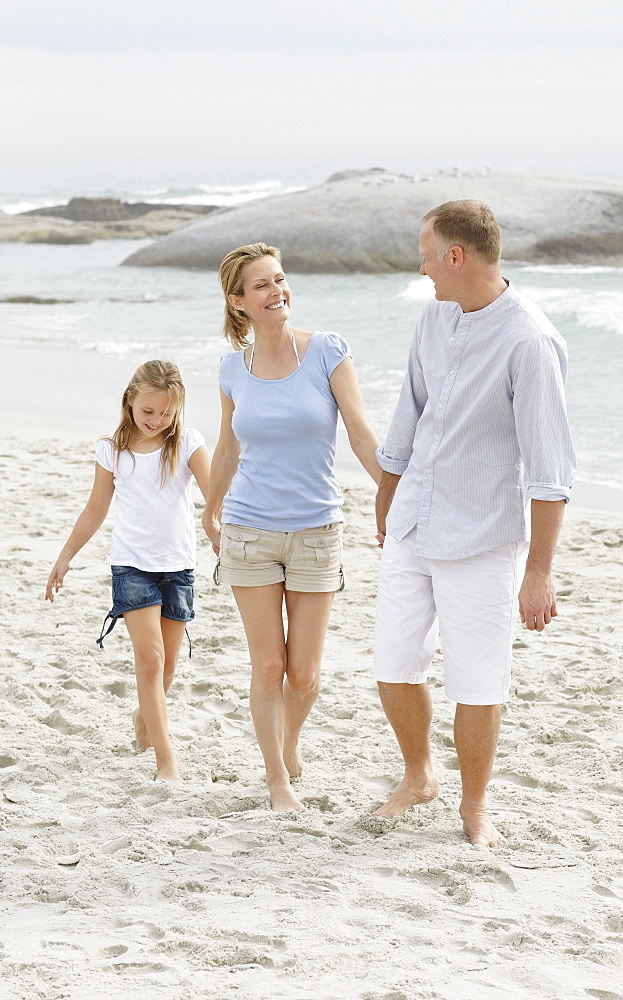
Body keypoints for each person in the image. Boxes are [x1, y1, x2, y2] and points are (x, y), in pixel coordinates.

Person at [373, 200, 576, 846]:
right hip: (413, 525)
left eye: (427, 253)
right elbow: (409, 417)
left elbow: (549, 471)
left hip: (484, 538)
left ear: (456, 257)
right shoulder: (433, 319)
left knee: (476, 681)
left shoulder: (531, 342)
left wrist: (539, 572)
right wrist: (387, 498)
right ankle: (418, 775)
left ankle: (474, 807)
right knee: (393, 664)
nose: (422, 266)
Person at [203, 242, 382, 812]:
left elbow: (358, 432)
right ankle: (276, 778)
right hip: (250, 530)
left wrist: (392, 492)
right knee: (269, 665)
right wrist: (211, 507)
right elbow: (228, 449)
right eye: (262, 286)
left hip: (316, 530)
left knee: (304, 674)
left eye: (279, 280)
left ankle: (289, 742)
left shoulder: (327, 351)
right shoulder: (233, 368)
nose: (277, 291)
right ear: (239, 303)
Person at [45, 360, 210, 782]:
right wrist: (65, 556)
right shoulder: (112, 450)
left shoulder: (188, 443)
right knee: (151, 661)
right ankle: (166, 761)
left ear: (178, 409)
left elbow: (216, 496)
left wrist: (225, 527)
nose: (157, 421)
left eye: (166, 413)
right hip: (132, 566)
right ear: (130, 402)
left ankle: (144, 716)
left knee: (168, 667)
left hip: (178, 568)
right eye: (148, 412)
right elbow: (96, 508)